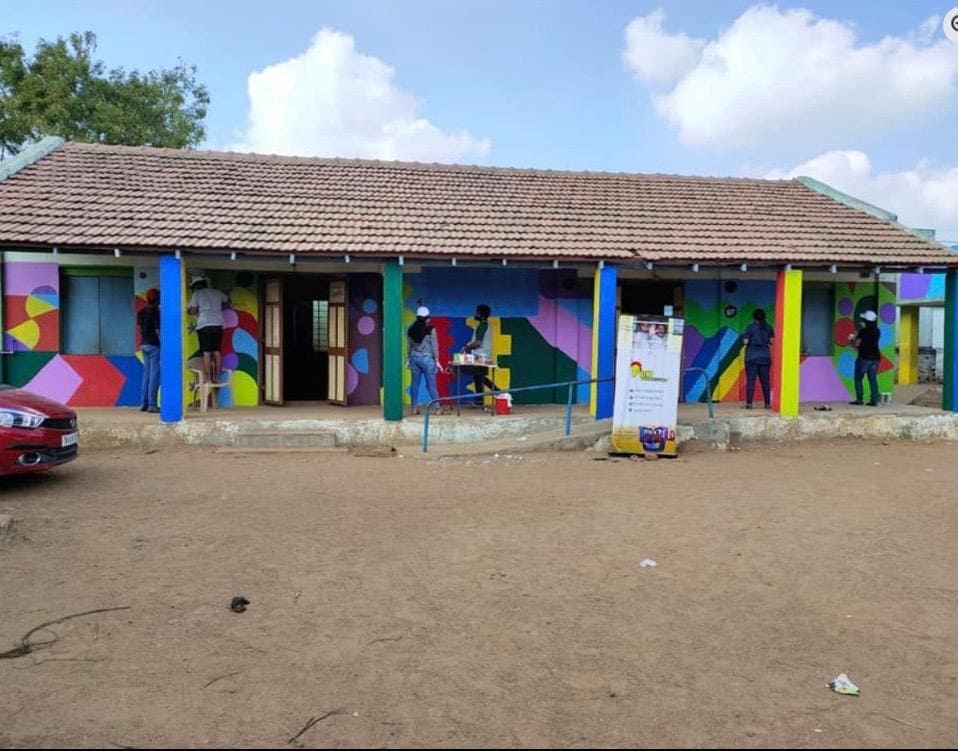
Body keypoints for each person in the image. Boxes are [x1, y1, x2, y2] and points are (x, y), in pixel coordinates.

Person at [187, 275, 229, 390]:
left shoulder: (197, 294)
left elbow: (193, 310)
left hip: (204, 325)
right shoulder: (217, 292)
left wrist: (190, 310)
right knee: (216, 352)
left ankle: (207, 378)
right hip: (218, 324)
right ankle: (217, 378)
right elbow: (226, 301)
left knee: (206, 352)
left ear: (196, 286)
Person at [407, 306, 442, 416]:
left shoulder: (410, 329)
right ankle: (437, 409)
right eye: (428, 317)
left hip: (414, 358)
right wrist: (437, 360)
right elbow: (434, 346)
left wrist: (408, 359)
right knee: (431, 385)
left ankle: (413, 408)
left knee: (415, 384)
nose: (429, 319)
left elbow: (409, 347)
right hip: (427, 360)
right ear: (426, 318)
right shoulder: (431, 330)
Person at [742, 308, 774, 409]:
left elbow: (745, 342)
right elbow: (772, 341)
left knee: (751, 381)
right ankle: (767, 404)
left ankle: (749, 404)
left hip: (751, 357)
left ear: (754, 317)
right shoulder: (768, 328)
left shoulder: (750, 328)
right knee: (765, 381)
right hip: (765, 357)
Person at [465, 303, 496, 406]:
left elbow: (478, 342)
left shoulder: (482, 326)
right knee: (479, 377)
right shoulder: (486, 325)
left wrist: (468, 347)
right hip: (484, 355)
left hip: (480, 355)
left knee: (479, 377)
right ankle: (481, 400)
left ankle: (498, 392)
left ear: (481, 315)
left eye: (477, 313)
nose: (475, 314)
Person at [849, 310, 881, 406]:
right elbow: (870, 338)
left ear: (866, 321)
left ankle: (859, 399)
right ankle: (874, 400)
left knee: (858, 378)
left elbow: (856, 345)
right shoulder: (877, 331)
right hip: (875, 358)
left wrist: (851, 339)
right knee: (872, 379)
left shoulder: (863, 332)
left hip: (864, 358)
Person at [137, 289, 160, 413]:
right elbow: (157, 330)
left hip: (143, 345)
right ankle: (152, 404)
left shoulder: (141, 313)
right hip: (154, 345)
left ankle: (143, 403)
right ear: (157, 300)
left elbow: (141, 328)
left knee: (146, 374)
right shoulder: (155, 312)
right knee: (154, 375)